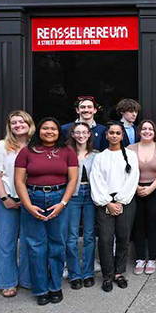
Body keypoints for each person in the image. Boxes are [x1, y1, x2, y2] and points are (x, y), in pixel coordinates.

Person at [15, 117, 79, 306]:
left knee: (57, 244)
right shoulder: (27, 151)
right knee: (35, 246)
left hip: (58, 197)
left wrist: (63, 203)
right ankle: (40, 289)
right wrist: (27, 205)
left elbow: (73, 179)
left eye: (53, 128)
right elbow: (19, 180)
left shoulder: (68, 151)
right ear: (39, 131)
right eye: (45, 128)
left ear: (59, 132)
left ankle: (55, 287)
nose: (49, 131)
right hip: (33, 198)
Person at [0, 110, 35, 298]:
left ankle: (27, 279)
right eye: (14, 122)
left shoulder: (36, 146)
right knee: (6, 242)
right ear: (10, 127)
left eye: (22, 121)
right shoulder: (2, 146)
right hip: (8, 199)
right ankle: (7, 281)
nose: (18, 125)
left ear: (29, 124)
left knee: (28, 241)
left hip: (31, 200)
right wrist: (4, 198)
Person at [90, 122, 140, 292]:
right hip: (104, 202)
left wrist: (120, 201)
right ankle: (107, 275)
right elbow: (96, 181)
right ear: (106, 135)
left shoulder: (130, 156)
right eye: (111, 132)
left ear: (121, 136)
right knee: (105, 239)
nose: (114, 136)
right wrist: (107, 203)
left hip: (125, 201)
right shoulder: (100, 157)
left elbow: (133, 179)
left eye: (118, 133)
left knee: (123, 237)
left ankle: (119, 272)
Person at [129, 119, 156, 275]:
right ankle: (140, 259)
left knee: (154, 223)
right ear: (139, 131)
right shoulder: (130, 149)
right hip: (134, 189)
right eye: (144, 129)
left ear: (154, 132)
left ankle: (152, 259)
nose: (147, 131)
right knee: (138, 224)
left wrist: (150, 188)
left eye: (150, 129)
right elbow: (126, 171)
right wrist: (137, 187)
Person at [65, 122, 99, 289]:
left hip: (91, 196)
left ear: (89, 134)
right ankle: (74, 274)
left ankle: (88, 273)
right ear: (72, 135)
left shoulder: (96, 155)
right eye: (77, 132)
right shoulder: (66, 153)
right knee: (71, 236)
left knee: (89, 235)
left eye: (84, 132)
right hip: (73, 196)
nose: (81, 135)